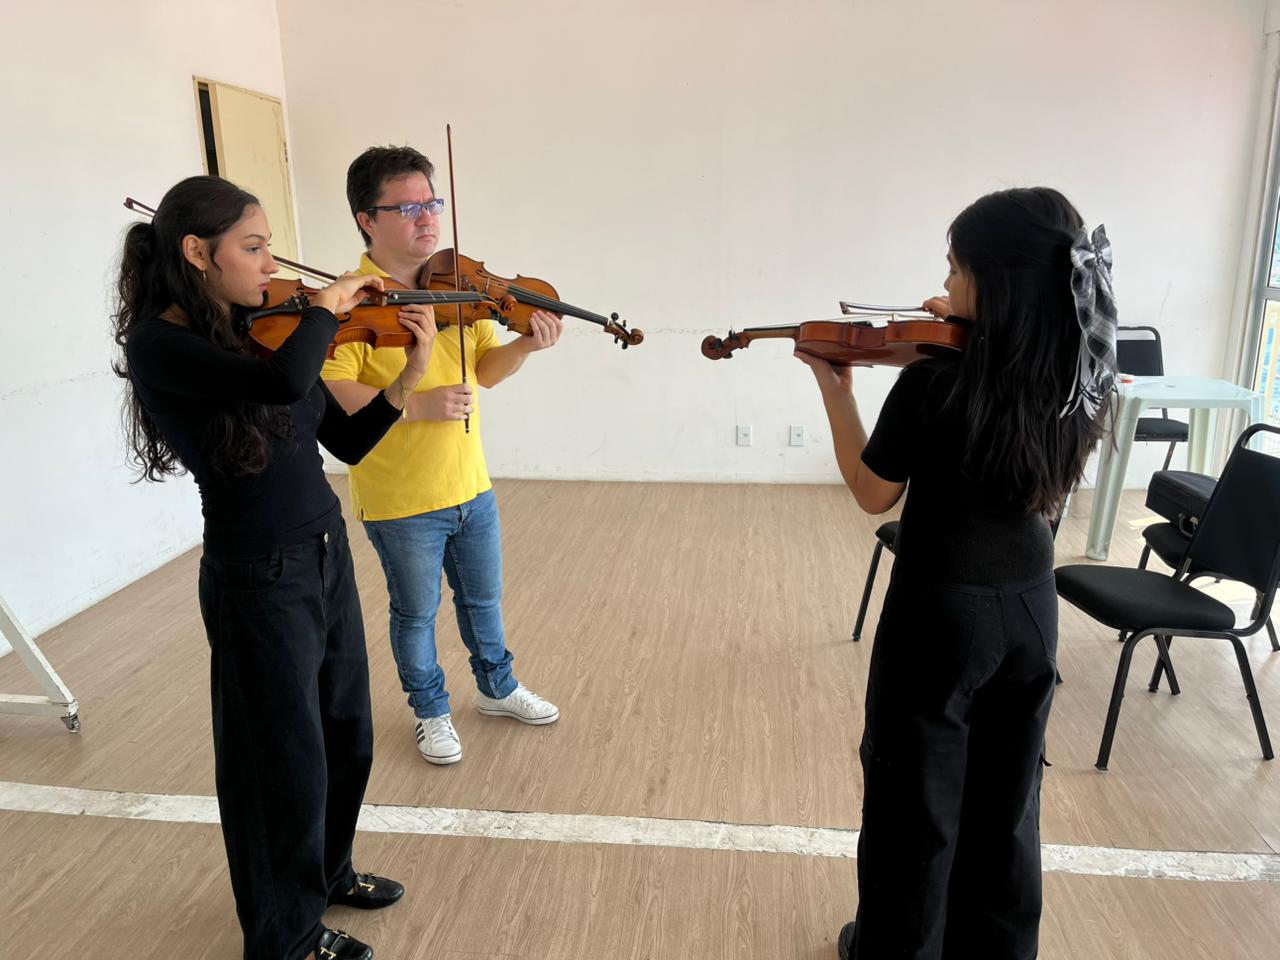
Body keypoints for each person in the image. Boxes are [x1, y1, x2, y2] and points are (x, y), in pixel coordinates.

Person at [113, 175, 437, 960]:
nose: (268, 265)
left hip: (322, 552)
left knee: (344, 737)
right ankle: (284, 937)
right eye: (252, 248)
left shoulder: (263, 325)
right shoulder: (165, 344)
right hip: (255, 574)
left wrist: (404, 383)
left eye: (267, 248)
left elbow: (347, 444)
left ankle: (328, 873)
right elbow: (283, 380)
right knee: (278, 766)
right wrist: (327, 310)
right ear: (197, 252)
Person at [798, 188, 1115, 960]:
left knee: (915, 806)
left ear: (993, 284)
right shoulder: (1082, 363)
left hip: (942, 612)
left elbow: (874, 491)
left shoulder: (936, 379)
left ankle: (896, 947)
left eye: (955, 269)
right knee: (1009, 803)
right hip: (1033, 609)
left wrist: (834, 390)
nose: (942, 283)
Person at [322, 145, 562, 766]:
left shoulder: (454, 287)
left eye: (432, 202)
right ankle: (431, 710)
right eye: (407, 206)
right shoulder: (349, 302)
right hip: (400, 499)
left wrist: (526, 347)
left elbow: (485, 369)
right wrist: (419, 404)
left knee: (484, 599)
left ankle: (497, 688)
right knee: (416, 612)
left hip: (470, 485)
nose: (427, 217)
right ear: (366, 220)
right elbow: (338, 396)